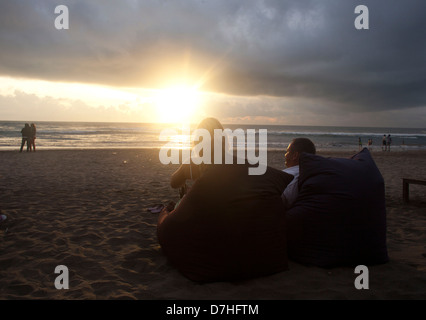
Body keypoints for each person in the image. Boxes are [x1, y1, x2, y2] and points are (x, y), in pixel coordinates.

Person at [281, 138, 316, 209]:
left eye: (287, 151)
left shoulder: (286, 177)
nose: (285, 155)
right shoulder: (316, 173)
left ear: (295, 156)